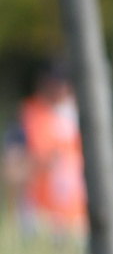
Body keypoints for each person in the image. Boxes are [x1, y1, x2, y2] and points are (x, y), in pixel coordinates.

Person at [7, 62, 87, 238]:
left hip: (77, 223)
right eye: (55, 83)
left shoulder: (79, 116)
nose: (60, 89)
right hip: (40, 223)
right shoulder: (26, 117)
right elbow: (10, 172)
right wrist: (41, 163)